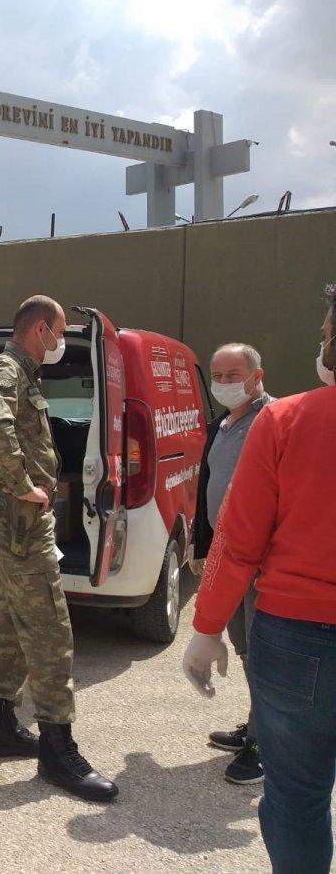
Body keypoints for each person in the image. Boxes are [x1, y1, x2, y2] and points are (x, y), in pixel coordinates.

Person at [183, 284, 336, 873]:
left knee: (298, 793)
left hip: (297, 635)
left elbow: (238, 541)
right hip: (296, 632)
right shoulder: (244, 424)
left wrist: (204, 629)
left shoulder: (285, 420)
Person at [0, 295, 117, 802]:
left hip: (19, 517)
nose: (61, 341)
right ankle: (59, 748)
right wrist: (21, 484)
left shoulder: (22, 372)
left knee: (11, 617)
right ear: (40, 329)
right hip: (20, 519)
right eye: (59, 331)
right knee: (51, 628)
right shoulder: (8, 369)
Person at [190, 343, 273, 785]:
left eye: (233, 374)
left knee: (265, 653)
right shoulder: (222, 424)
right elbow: (209, 484)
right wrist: (202, 545)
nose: (223, 384)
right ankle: (258, 728)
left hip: (264, 564)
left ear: (257, 376)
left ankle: (265, 745)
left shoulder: (274, 420)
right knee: (244, 647)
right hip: (230, 559)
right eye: (217, 376)